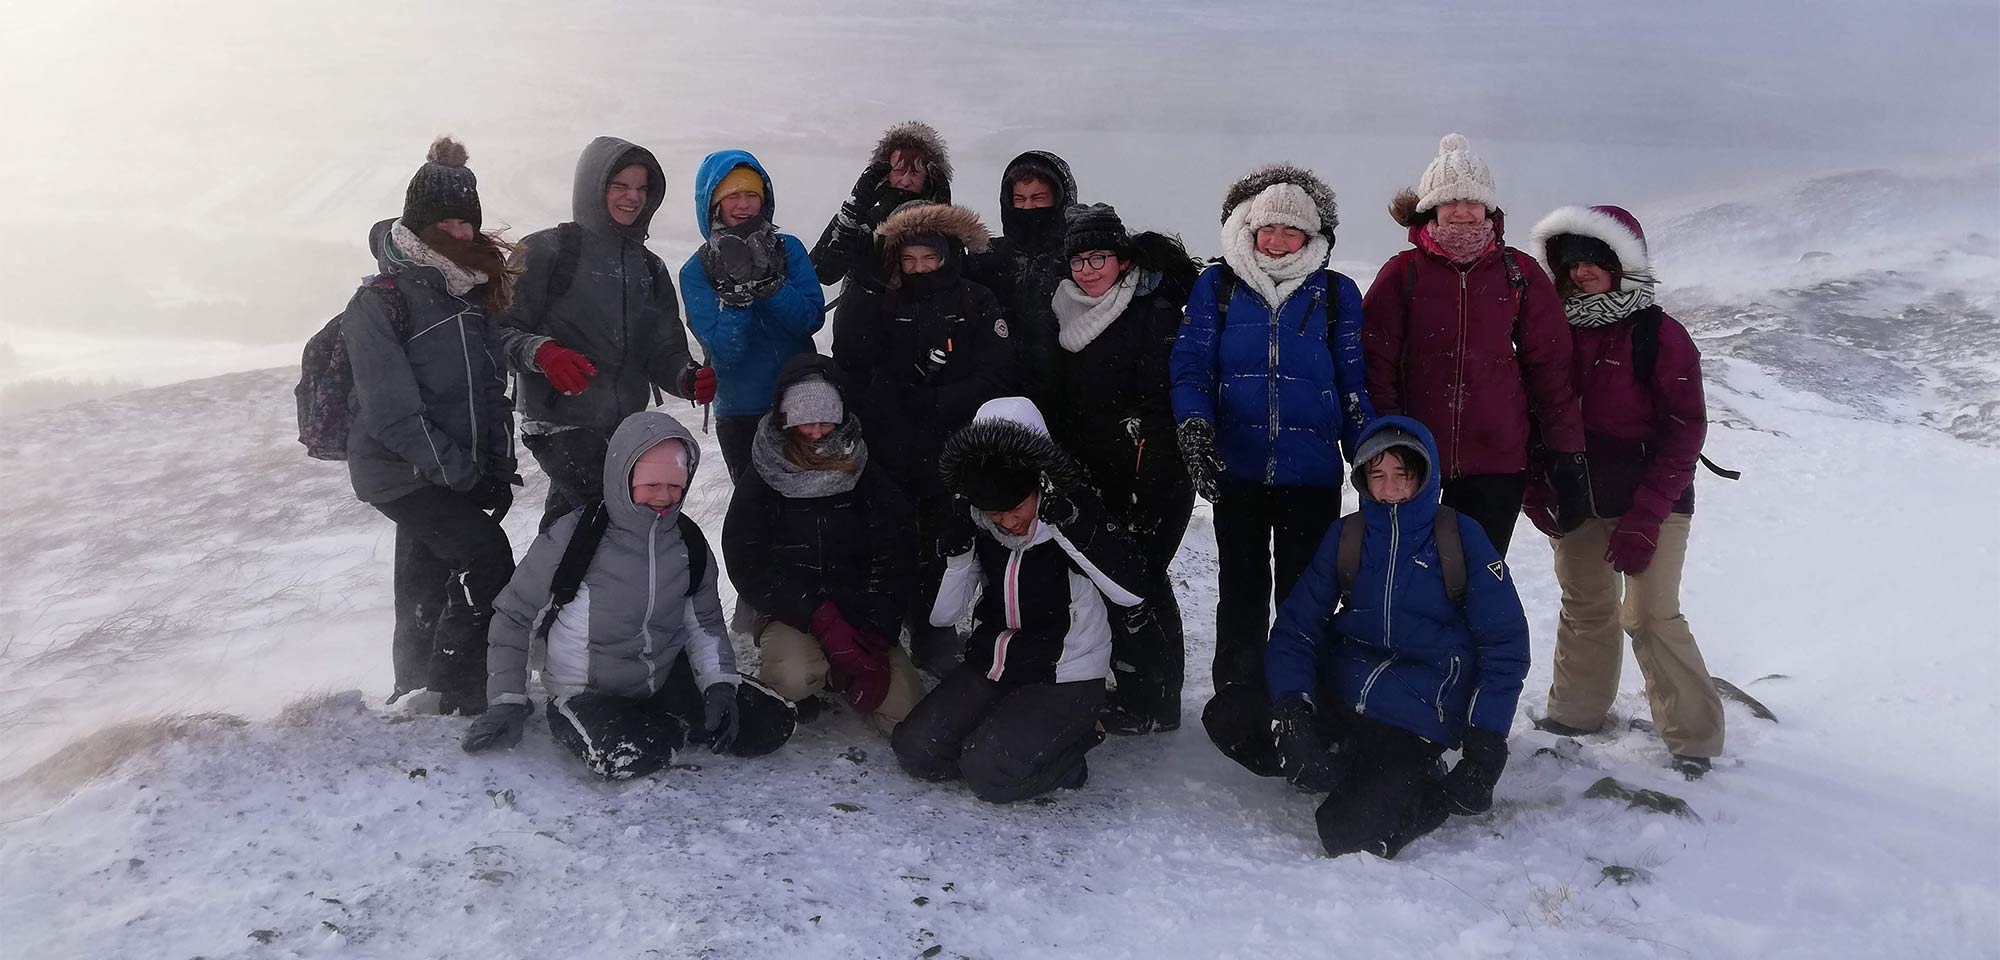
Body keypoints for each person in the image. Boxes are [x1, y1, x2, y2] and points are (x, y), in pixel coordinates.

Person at [1205, 417, 1530, 858]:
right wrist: (1293, 711)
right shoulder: (1349, 535)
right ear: (1362, 479)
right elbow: (1297, 628)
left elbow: (1505, 647)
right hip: (1344, 688)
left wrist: (1484, 748)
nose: (1390, 487)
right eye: (1377, 475)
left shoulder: (1460, 537)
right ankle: (1338, 763)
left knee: (1350, 836)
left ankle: (1416, 781)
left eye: (1402, 474)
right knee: (1229, 715)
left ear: (1424, 475)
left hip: (1414, 714)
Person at [463, 412, 796, 779]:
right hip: (585, 692)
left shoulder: (687, 542)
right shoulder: (576, 537)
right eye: (651, 485)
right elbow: (516, 615)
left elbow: (704, 624)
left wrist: (719, 685)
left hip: (662, 679)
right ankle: (652, 726)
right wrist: (507, 701)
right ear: (624, 477)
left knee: (770, 723)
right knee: (635, 752)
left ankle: (666, 718)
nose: (664, 498)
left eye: (675, 486)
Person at [1525, 205, 1725, 779]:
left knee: (1651, 613)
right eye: (1571, 264)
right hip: (1579, 495)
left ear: (1623, 264)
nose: (1582, 272)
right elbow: (1535, 413)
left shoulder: (1658, 333)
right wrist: (1537, 489)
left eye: (1595, 260)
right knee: (1586, 605)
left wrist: (1645, 517)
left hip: (1653, 498)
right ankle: (1575, 714)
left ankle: (1695, 738)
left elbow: (1686, 428)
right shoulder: (1551, 332)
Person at [1169, 163, 1375, 704]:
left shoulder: (1335, 293)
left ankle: (1298, 696)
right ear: (1249, 229)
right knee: (1241, 590)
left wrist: (1370, 459)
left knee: (1304, 593)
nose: (1278, 241)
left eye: (1292, 231)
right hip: (1237, 468)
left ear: (1313, 237)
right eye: (1269, 229)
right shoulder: (1217, 285)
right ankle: (1238, 698)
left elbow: (1354, 384)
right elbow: (1191, 366)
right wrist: (1194, 425)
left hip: (1311, 474)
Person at [892, 398, 1149, 802]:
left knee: (989, 773)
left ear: (1040, 482)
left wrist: (1071, 530)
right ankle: (1006, 734)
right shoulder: (980, 523)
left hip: (1065, 677)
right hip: (995, 666)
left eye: (1015, 509)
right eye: (994, 512)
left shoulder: (1073, 514)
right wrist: (958, 557)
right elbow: (944, 619)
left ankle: (1070, 751)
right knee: (916, 750)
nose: (1008, 522)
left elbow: (1132, 593)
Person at [342, 136, 519, 717]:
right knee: (484, 555)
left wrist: (499, 467)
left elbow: (492, 392)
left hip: (451, 468)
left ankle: (416, 687)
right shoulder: (381, 301)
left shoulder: (472, 294)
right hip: (398, 469)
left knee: (426, 575)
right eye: (447, 223)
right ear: (418, 225)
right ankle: (460, 686)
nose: (463, 235)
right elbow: (392, 411)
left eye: (469, 224)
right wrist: (461, 476)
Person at [1361, 134, 1587, 557]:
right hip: (1415, 458)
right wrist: (1390, 437)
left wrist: (1565, 449)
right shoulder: (1402, 273)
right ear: (1431, 208)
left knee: (1477, 578)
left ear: (1489, 207)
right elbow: (1376, 363)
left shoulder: (1519, 273)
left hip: (1497, 460)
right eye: (1450, 201)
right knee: (1409, 575)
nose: (1462, 211)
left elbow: (1550, 367)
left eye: (1473, 200)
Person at [830, 201, 1018, 672]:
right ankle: (887, 624)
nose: (918, 269)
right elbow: (852, 353)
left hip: (956, 445)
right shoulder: (885, 299)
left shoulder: (976, 300)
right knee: (890, 535)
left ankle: (937, 628)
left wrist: (939, 402)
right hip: (891, 442)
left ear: (948, 254)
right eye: (908, 260)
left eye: (928, 259)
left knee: (946, 538)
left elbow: (997, 374)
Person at [494, 136, 709, 532]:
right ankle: (561, 590)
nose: (633, 198)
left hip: (623, 425)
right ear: (594, 186)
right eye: (620, 186)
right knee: (607, 513)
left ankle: (549, 589)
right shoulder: (546, 250)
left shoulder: (651, 268)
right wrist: (543, 353)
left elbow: (662, 347)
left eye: (642, 189)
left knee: (575, 523)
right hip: (558, 421)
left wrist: (686, 376)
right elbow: (497, 333)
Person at [1044, 203, 1201, 734]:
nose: (1088, 270)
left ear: (1122, 259)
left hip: (1150, 474)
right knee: (1117, 579)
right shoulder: (1067, 309)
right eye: (1079, 260)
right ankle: (1140, 689)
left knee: (1143, 582)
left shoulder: (1151, 309)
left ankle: (1156, 700)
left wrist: (1148, 475)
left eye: (1099, 258)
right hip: (1099, 469)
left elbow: (1163, 403)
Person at [722, 353, 926, 732]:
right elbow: (745, 558)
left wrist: (878, 631)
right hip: (790, 610)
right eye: (803, 421)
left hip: (860, 610)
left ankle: (842, 668)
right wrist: (816, 613)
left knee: (903, 710)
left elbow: (896, 550)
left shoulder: (864, 465)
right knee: (793, 677)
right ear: (784, 419)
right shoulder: (766, 469)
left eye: (825, 418)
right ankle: (817, 668)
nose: (816, 431)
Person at [680, 149, 827, 483]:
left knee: (814, 504)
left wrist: (771, 287)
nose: (744, 204)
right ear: (713, 203)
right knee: (757, 514)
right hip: (741, 412)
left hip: (804, 400)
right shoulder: (697, 270)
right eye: (732, 196)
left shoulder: (789, 250)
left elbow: (810, 319)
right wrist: (738, 299)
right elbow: (726, 352)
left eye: (752, 195)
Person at [969, 150, 1079, 402]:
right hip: (996, 393)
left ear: (1059, 200)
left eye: (1038, 198)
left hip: (1069, 397)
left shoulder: (1078, 256)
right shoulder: (987, 255)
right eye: (1020, 199)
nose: (1028, 207)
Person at [810, 121, 953, 293]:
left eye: (915, 172)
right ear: (885, 173)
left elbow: (957, 278)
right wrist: (852, 213)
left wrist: (946, 220)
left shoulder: (951, 225)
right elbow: (823, 272)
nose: (906, 181)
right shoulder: (867, 223)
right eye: (899, 171)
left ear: (930, 175)